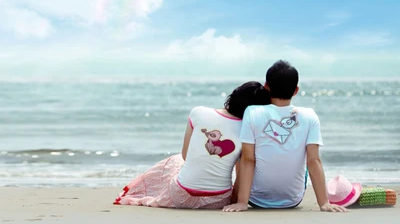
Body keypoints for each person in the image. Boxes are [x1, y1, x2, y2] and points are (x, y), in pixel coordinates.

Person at [114, 81, 270, 209]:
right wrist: (239, 201)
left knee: (174, 161)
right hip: (217, 201)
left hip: (181, 196)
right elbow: (243, 169)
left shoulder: (199, 112)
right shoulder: (247, 130)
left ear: (234, 95)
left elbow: (185, 155)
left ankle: (136, 190)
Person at [223, 60, 348, 213]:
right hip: (292, 199)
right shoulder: (310, 116)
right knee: (306, 156)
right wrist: (324, 203)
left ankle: (240, 196)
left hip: (255, 199)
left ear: (266, 87)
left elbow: (248, 160)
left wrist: (242, 202)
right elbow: (313, 161)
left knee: (244, 153)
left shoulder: (252, 112)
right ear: (296, 90)